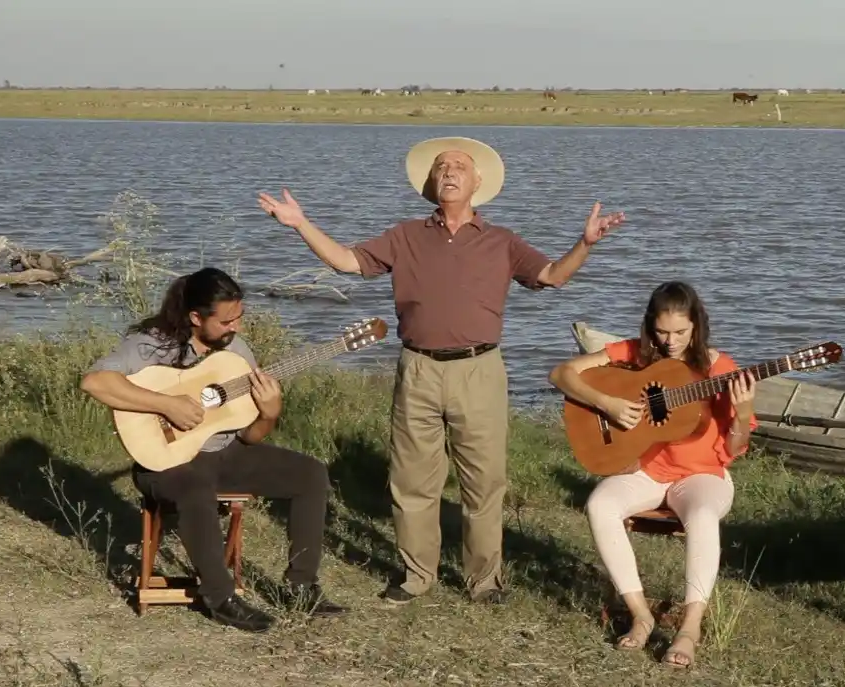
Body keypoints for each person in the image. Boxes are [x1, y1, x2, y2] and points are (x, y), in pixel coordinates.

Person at [257, 136, 625, 605]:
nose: (448, 172)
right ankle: (416, 576)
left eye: (458, 166)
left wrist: (585, 243)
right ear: (432, 183)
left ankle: (484, 581)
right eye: (440, 167)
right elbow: (346, 261)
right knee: (411, 479)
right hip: (418, 369)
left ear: (477, 182)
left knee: (484, 481)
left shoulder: (502, 241)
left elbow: (553, 275)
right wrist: (299, 224)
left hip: (480, 370)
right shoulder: (405, 235)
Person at [80, 267, 345, 632]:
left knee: (310, 474)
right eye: (225, 321)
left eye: (239, 317)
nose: (235, 327)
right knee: (195, 488)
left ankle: (301, 587)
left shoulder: (236, 353)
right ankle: (220, 598)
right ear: (195, 317)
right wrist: (165, 404)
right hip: (164, 461)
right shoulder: (150, 345)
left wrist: (270, 414)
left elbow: (249, 435)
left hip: (225, 454)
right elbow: (95, 382)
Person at [548, 281, 757, 670]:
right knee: (601, 504)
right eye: (662, 332)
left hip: (703, 476)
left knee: (702, 516)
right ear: (650, 326)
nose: (671, 341)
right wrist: (607, 402)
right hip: (648, 472)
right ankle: (640, 614)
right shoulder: (635, 354)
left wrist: (742, 413)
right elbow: (562, 374)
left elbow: (732, 449)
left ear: (697, 326)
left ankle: (690, 628)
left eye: (680, 332)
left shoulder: (719, 368)